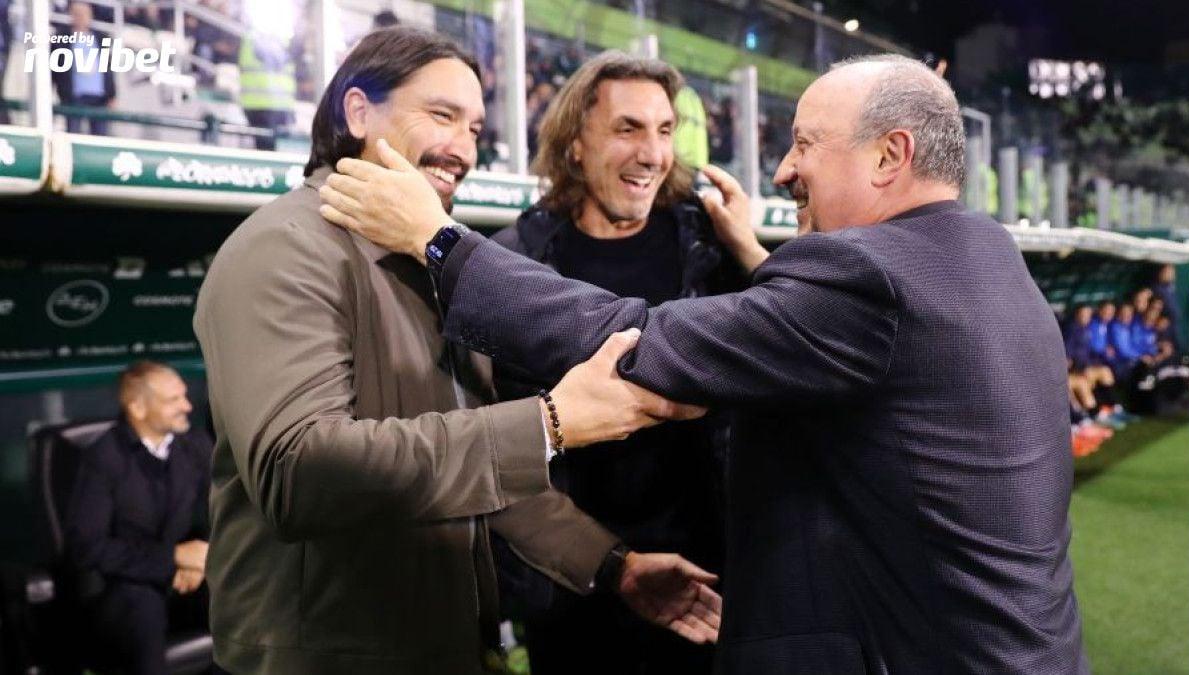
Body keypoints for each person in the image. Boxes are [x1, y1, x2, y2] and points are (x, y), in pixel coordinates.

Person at [321, 53, 1087, 673]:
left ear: (890, 155)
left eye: (805, 144)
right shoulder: (988, 258)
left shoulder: (863, 278)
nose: (783, 170)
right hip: (592, 595)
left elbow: (642, 340)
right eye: (627, 127)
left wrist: (441, 243)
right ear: (575, 141)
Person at [195, 26, 719, 674]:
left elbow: (482, 476)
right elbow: (298, 472)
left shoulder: (432, 263)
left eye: (474, 128)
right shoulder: (285, 247)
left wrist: (615, 565)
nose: (463, 148)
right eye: (442, 115)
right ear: (358, 112)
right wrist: (549, 423)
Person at [488, 51, 741, 674]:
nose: (652, 153)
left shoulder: (710, 250)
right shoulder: (517, 263)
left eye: (664, 130)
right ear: (575, 144)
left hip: (708, 581)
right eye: (628, 128)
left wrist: (753, 253)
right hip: (573, 586)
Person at [64, 361, 212, 675]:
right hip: (122, 591)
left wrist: (202, 561)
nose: (187, 406)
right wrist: (172, 558)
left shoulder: (195, 445)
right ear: (138, 408)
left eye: (185, 396)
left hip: (184, 583)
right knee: (141, 605)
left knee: (234, 589)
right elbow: (88, 547)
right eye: (173, 400)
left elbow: (218, 513)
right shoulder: (104, 457)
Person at [51, 2, 116, 136]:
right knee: (73, 134)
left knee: (100, 136)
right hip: (74, 97)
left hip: (99, 97)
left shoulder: (100, 38)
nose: (81, 18)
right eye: (77, 14)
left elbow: (108, 69)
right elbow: (55, 69)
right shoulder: (61, 39)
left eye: (84, 14)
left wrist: (112, 94)